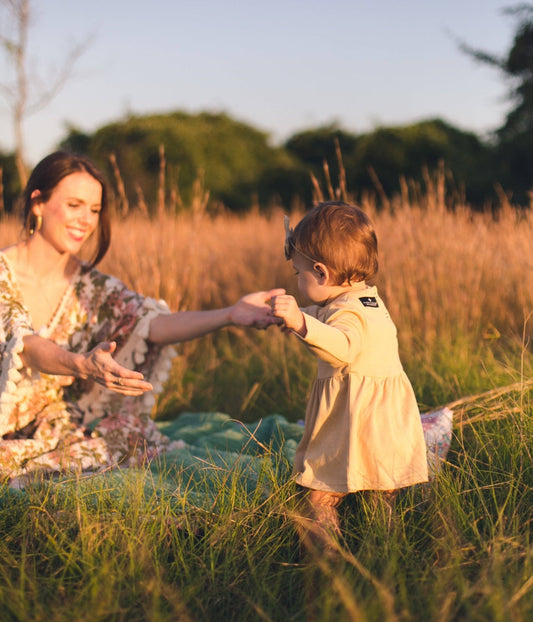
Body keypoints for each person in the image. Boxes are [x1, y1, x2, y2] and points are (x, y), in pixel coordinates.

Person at [0, 151, 282, 482]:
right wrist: (81, 364)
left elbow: (150, 324)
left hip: (60, 425)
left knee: (128, 439)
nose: (86, 220)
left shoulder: (93, 285)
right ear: (38, 203)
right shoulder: (4, 273)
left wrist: (231, 314)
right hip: (7, 424)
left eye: (94, 210)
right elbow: (25, 344)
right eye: (74, 205)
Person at [270, 201, 428, 550]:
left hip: (354, 422)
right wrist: (301, 318)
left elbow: (343, 346)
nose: (297, 280)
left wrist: (299, 323)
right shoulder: (365, 300)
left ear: (322, 273)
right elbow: (330, 314)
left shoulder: (349, 315)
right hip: (383, 424)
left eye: (299, 274)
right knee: (379, 495)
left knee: (319, 499)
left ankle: (326, 565)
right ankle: (386, 553)